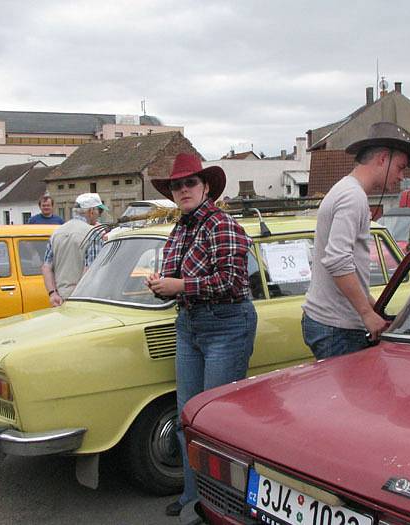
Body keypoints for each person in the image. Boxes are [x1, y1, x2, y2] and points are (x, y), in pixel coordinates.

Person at [145, 153, 256, 517]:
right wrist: (162, 285)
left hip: (226, 324)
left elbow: (231, 281)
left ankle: (222, 505)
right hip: (190, 324)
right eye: (176, 185)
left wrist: (178, 285)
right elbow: (178, 279)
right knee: (187, 416)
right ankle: (195, 498)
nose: (182, 190)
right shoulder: (180, 229)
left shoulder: (221, 224)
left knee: (216, 422)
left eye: (190, 182)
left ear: (206, 187)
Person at [302, 121, 410, 360]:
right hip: (336, 328)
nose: (402, 177)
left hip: (330, 323)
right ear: (383, 158)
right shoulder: (353, 197)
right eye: (400, 167)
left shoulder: (346, 191)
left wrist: (374, 307)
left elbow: (344, 263)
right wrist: (366, 314)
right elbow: (337, 261)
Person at [41, 193, 107, 306]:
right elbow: (90, 270)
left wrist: (52, 293)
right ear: (91, 211)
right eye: (99, 212)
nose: (99, 216)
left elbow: (46, 267)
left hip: (59, 298)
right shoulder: (93, 234)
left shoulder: (57, 232)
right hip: (83, 298)